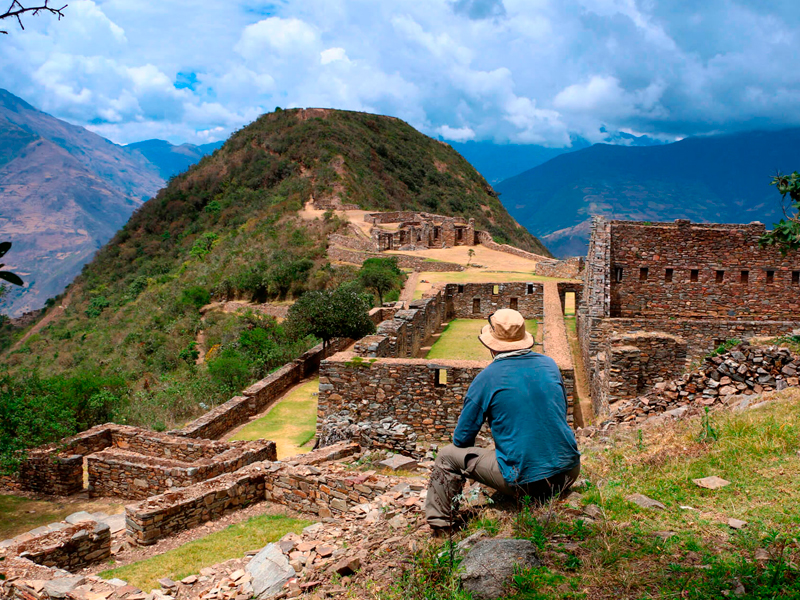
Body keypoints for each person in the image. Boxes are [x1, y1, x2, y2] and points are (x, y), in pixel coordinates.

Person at [425, 308, 581, 532]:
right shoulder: (549, 365)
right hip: (569, 471)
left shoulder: (487, 378)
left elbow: (461, 439)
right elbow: (557, 414)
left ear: (491, 344)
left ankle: (441, 526)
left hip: (528, 482)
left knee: (447, 456)